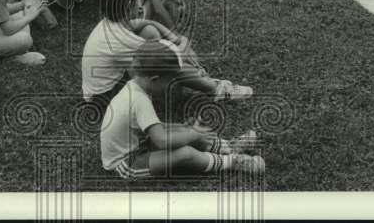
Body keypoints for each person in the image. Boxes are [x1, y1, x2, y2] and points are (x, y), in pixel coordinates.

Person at [99, 40, 264, 180]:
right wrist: (192, 135)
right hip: (126, 162)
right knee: (185, 153)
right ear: (155, 79)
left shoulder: (136, 88)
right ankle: (233, 162)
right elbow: (161, 141)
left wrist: (187, 131)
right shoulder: (139, 100)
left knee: (184, 130)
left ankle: (228, 147)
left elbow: (154, 128)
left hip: (139, 144)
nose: (172, 85)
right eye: (170, 80)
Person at [82, 0, 252, 104]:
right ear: (128, 6)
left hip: (102, 89)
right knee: (169, 64)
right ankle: (216, 90)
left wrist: (174, 38)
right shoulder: (120, 38)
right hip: (105, 99)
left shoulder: (113, 23)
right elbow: (172, 57)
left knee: (149, 31)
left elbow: (142, 23)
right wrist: (183, 43)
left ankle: (200, 79)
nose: (141, 1)